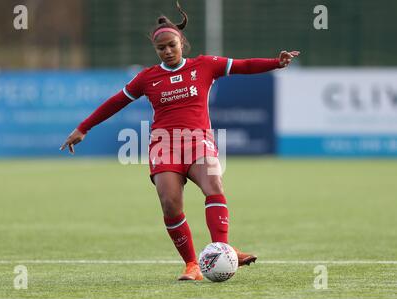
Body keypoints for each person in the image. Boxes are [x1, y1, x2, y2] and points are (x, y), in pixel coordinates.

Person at [60, 3, 299, 281]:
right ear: (156, 50)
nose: (167, 51)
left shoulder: (205, 65)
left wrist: (276, 62)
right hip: (164, 145)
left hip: (198, 141)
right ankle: (192, 265)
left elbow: (243, 66)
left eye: (172, 45)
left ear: (181, 42)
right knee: (170, 205)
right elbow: (115, 102)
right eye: (161, 48)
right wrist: (83, 127)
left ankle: (223, 249)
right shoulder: (148, 78)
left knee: (214, 185)